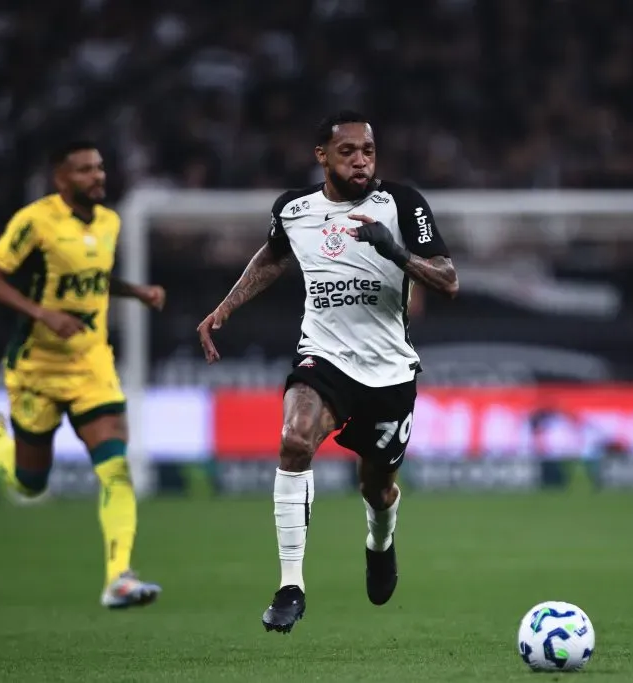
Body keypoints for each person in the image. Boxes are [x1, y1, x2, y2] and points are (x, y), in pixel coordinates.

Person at [197, 111, 459, 633]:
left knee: (376, 487)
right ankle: (290, 585)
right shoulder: (294, 209)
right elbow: (273, 257)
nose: (361, 160)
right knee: (294, 440)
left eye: (368, 150)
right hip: (325, 357)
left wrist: (395, 250)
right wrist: (225, 308)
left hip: (388, 373)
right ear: (322, 156)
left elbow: (448, 280)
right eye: (348, 152)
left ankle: (380, 541)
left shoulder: (403, 203)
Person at [0, 141, 165, 609]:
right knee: (31, 484)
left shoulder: (109, 221)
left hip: (91, 364)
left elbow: (97, 276)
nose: (98, 176)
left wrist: (136, 292)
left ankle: (119, 578)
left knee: (115, 468)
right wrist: (43, 314)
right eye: (86, 170)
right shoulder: (35, 221)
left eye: (100, 167)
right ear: (61, 178)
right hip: (37, 368)